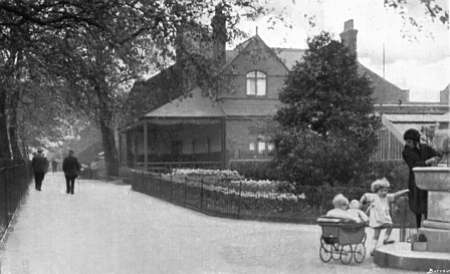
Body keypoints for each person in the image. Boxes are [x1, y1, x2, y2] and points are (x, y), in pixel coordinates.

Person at [402, 128, 441, 228]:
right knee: (417, 204)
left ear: (415, 141)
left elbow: (437, 154)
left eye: (409, 141)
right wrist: (428, 162)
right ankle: (418, 227)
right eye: (406, 141)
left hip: (428, 178)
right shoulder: (406, 151)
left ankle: (428, 225)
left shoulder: (425, 148)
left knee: (427, 203)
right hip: (415, 179)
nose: (407, 143)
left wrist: (436, 159)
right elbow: (414, 165)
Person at [360, 178, 408, 256]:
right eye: (382, 191)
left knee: (390, 225)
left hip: (385, 218)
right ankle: (372, 249)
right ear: (376, 190)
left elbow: (395, 195)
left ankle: (386, 239)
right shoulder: (373, 196)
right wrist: (362, 202)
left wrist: (405, 191)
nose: (384, 192)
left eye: (386, 190)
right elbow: (365, 196)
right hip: (376, 219)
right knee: (376, 235)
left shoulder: (387, 197)